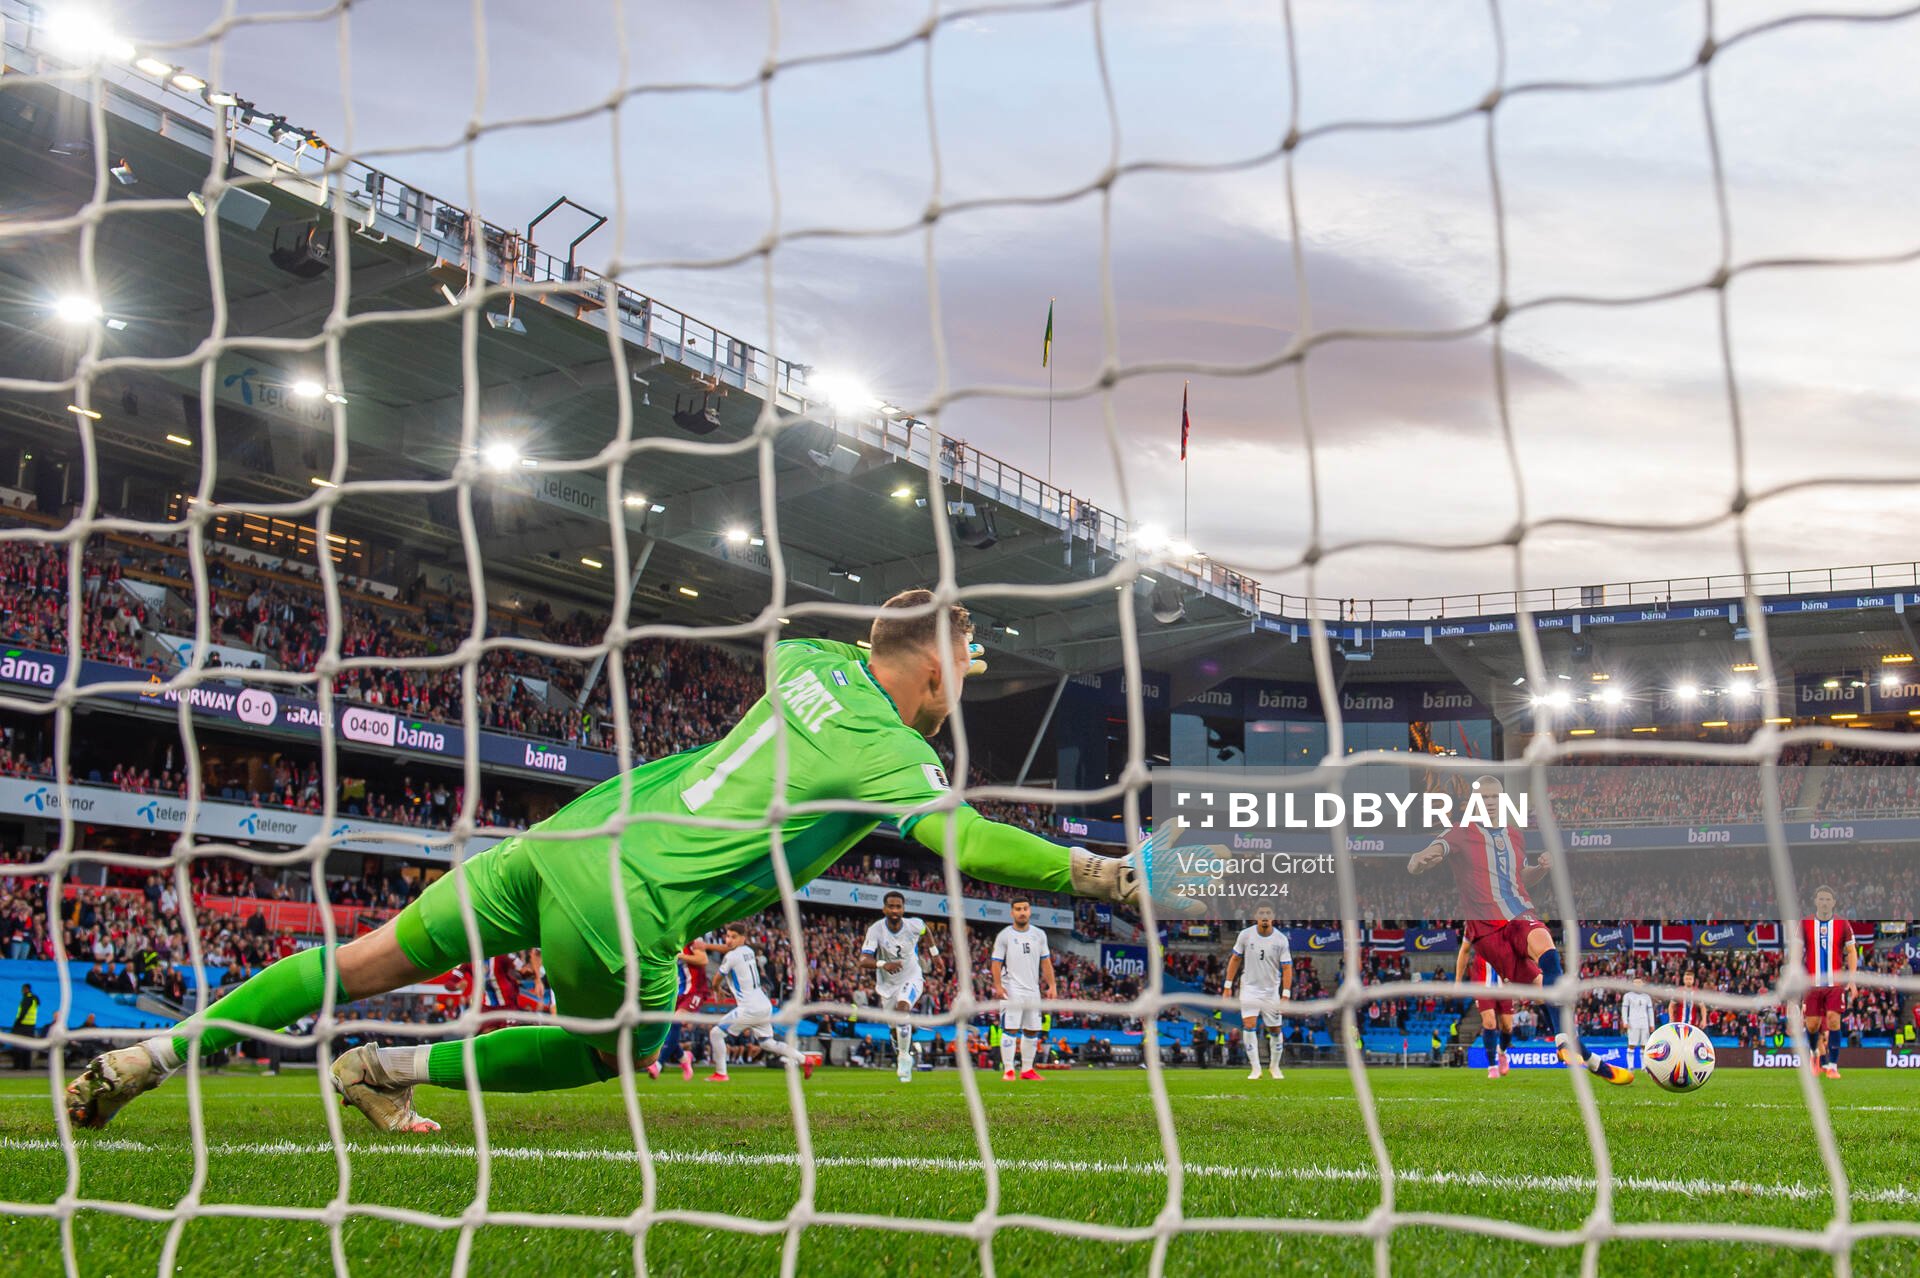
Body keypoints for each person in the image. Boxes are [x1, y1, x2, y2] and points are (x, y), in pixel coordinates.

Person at [70, 590, 1154, 1132]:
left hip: (564, 836)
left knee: (360, 963)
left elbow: (845, 647)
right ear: (929, 670)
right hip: (630, 895)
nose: (963, 683)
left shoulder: (810, 659)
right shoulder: (882, 746)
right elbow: (966, 837)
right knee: (610, 1054)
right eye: (962, 666)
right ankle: (393, 1069)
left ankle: (150, 1059)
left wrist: (920, 635)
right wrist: (1099, 873)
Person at [1408, 775, 1631, 1086]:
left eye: (1494, 797)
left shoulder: (1514, 835)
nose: (1489, 802)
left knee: (1549, 958)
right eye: (1483, 798)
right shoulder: (1461, 833)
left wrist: (1540, 868)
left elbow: (1521, 878)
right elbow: (1433, 851)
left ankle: (1576, 1050)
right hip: (1489, 932)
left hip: (1520, 914)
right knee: (1546, 995)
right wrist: (1420, 860)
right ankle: (1581, 1056)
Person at [705, 924, 813, 1082]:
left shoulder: (731, 957)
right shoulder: (748, 951)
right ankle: (804, 1059)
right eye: (727, 936)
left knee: (716, 1033)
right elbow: (726, 949)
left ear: (743, 938)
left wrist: (716, 989)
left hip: (749, 1007)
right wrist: (707, 945)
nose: (729, 940)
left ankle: (721, 1073)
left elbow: (716, 979)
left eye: (733, 937)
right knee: (768, 1043)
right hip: (764, 1004)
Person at [858, 891, 927, 1083]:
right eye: (891, 906)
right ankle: (904, 1054)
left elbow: (926, 930)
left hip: (912, 977)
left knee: (902, 1008)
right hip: (887, 985)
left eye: (899, 907)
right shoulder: (876, 930)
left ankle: (904, 1058)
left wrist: (935, 954)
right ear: (884, 908)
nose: (895, 910)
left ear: (904, 909)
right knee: (893, 1027)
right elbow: (863, 960)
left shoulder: (914, 924)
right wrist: (882, 964)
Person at [1222, 906, 1292, 1081]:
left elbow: (1287, 967)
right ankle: (1255, 1068)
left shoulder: (1281, 939)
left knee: (1275, 1029)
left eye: (1268, 913)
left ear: (1273, 916)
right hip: (1250, 989)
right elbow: (1235, 959)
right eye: (1261, 913)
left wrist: (1285, 995)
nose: (1265, 917)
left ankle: (1274, 1067)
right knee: (1249, 1024)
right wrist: (1227, 986)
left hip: (1271, 992)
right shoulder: (1245, 935)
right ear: (1255, 916)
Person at [991, 898, 1055, 1081]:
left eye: (1025, 909)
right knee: (1010, 1028)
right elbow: (996, 962)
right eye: (1018, 909)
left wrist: (1052, 985)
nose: (1022, 912)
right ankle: (1009, 1070)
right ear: (1012, 912)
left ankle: (1027, 1069)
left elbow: (1046, 962)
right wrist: (997, 985)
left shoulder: (1039, 934)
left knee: (1032, 1030)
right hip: (1011, 988)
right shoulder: (1005, 935)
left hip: (1033, 990)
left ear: (1030, 911)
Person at [1802, 885, 1857, 1080]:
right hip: (1811, 984)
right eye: (1821, 899)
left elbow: (1851, 952)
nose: (1824, 902)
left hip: (1835, 984)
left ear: (1833, 902)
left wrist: (1852, 980)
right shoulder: (1804, 923)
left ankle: (1833, 1066)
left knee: (1834, 1020)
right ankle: (1814, 1056)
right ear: (1815, 901)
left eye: (1828, 899)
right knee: (1812, 1025)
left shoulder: (1842, 924)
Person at [1456, 938, 1513, 1080]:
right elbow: (1464, 950)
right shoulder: (1474, 926)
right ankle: (1492, 1066)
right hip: (1482, 983)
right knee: (1490, 1023)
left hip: (1504, 984)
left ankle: (1502, 1052)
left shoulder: (1508, 925)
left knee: (1507, 1026)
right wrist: (1457, 982)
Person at [1620, 976, 1657, 1070]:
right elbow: (1624, 1009)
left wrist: (1651, 1024)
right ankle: (1630, 1066)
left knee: (1644, 1045)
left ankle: (1644, 1067)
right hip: (1633, 1023)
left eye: (1639, 982)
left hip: (1644, 1023)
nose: (1637, 984)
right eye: (1635, 983)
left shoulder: (1646, 997)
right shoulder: (1628, 996)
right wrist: (1625, 1021)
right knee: (1631, 1044)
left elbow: (1650, 1011)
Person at [11, 983, 40, 1071]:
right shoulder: (34, 999)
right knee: (27, 1046)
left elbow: (23, 1012)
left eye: (23, 989)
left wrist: (16, 1024)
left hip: (23, 1026)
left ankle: (18, 1066)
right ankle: (26, 1066)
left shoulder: (27, 999)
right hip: (31, 1026)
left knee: (18, 1046)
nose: (22, 991)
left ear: (26, 989)